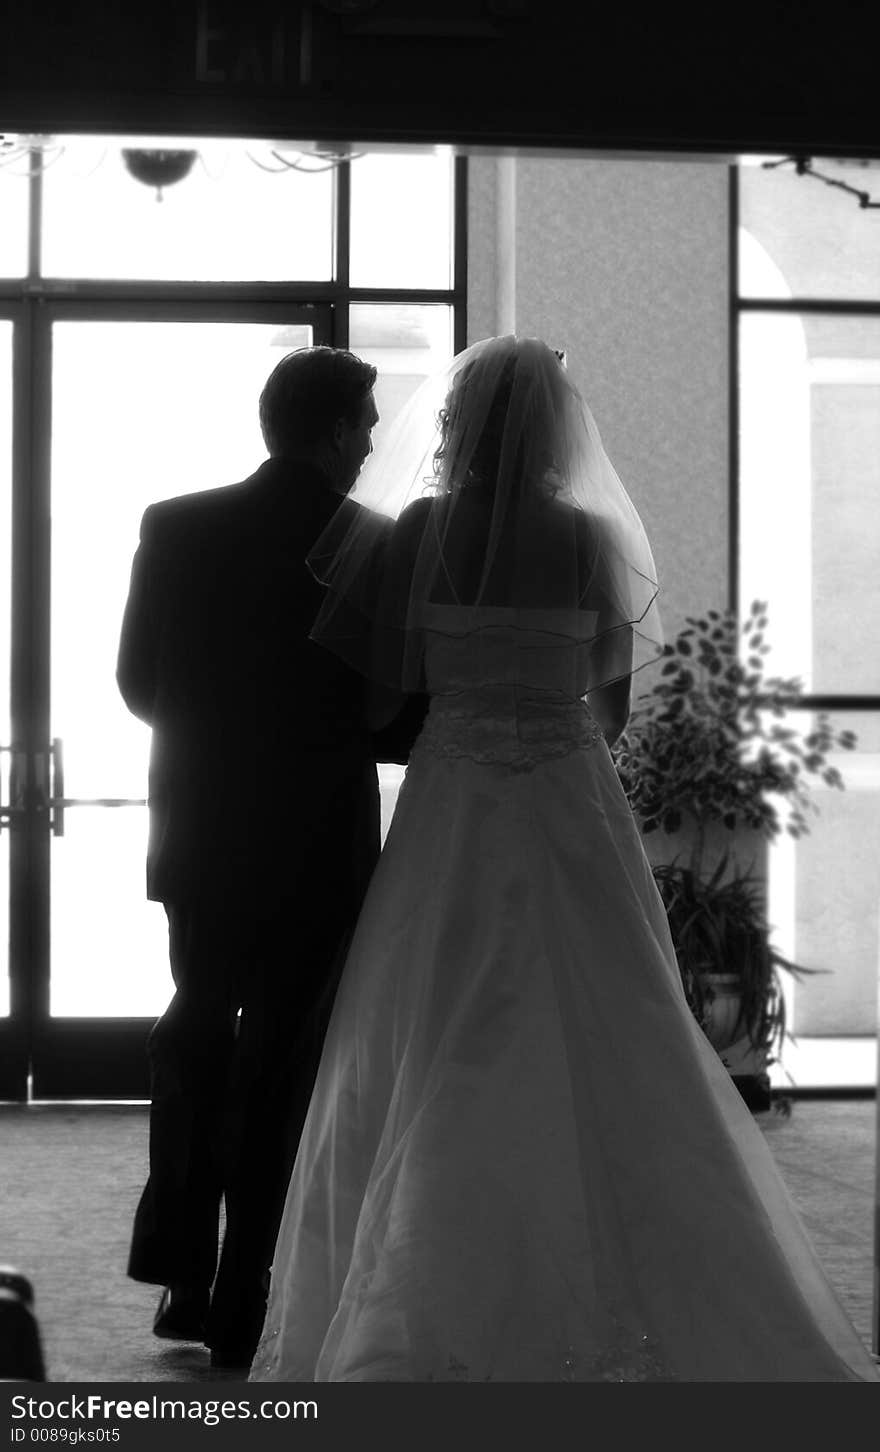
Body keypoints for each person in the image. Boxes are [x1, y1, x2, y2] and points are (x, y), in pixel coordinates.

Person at [249, 335, 879, 1382]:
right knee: (610, 1015)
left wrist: (463, 706)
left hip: (452, 796)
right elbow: (614, 706)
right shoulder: (590, 538)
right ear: (553, 429)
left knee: (429, 1018)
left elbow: (379, 695)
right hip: (567, 794)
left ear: (460, 427)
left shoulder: (417, 530)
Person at [117, 346, 426, 1370]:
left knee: (196, 1030)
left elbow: (137, 686)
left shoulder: (177, 523)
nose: (375, 439)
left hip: (201, 825)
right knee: (283, 1060)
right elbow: (394, 719)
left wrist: (220, 739)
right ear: (337, 431)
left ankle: (181, 1274)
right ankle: (249, 1288)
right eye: (368, 422)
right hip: (316, 835)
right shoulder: (370, 544)